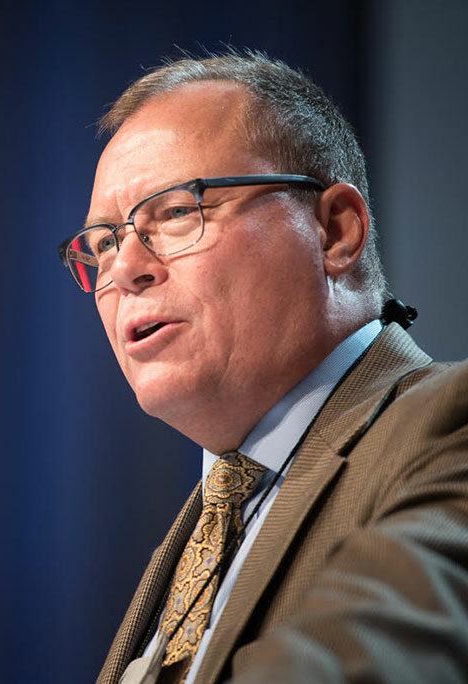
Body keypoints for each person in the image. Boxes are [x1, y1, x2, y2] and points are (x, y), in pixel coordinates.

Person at [57, 52, 468, 684]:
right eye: (105, 241)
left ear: (334, 232)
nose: (125, 268)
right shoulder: (210, 515)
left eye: (174, 212)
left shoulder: (450, 425)